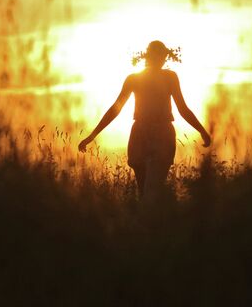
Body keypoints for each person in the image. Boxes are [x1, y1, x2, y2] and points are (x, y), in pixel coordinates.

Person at [78, 40, 211, 199]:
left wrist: (202, 130)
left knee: (150, 191)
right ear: (153, 57)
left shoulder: (165, 77)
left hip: (155, 133)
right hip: (145, 133)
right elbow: (116, 109)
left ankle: (152, 217)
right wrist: (91, 136)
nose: (161, 60)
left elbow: (183, 109)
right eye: (159, 56)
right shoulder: (139, 78)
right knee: (146, 192)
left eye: (162, 56)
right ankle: (151, 219)